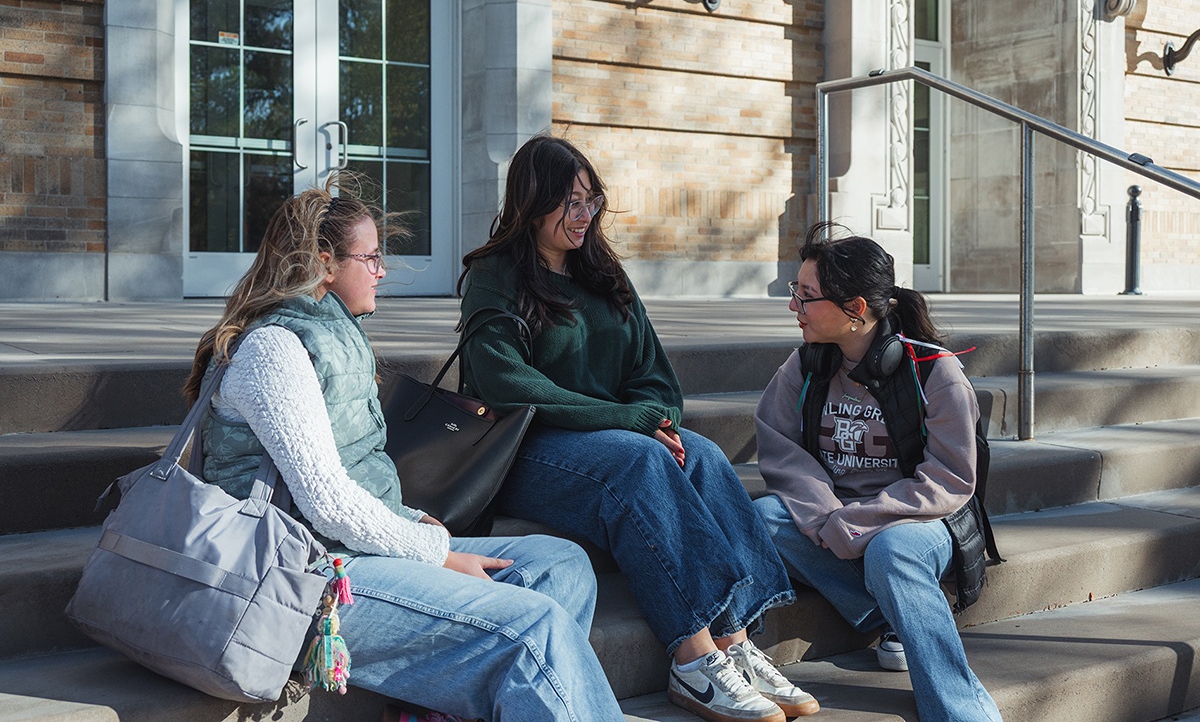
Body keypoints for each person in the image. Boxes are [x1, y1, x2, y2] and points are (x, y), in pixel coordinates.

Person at [183, 176, 624, 722]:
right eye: (369, 258)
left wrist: (412, 519)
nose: (382, 271)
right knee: (533, 625)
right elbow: (328, 504)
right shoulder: (274, 350)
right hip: (307, 577)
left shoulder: (333, 335)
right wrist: (433, 551)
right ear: (325, 264)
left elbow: (348, 475)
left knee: (562, 563)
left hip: (354, 548)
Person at [456, 134, 818, 722]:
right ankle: (694, 658)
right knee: (639, 459)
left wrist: (653, 419)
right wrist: (624, 420)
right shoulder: (494, 276)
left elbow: (654, 377)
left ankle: (735, 643)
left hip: (610, 441)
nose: (584, 216)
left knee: (698, 455)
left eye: (590, 201)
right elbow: (507, 384)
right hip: (525, 449)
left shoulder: (602, 274)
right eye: (570, 203)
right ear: (531, 201)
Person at [752, 222, 1003, 722]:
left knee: (892, 550)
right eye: (793, 293)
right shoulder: (804, 366)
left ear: (856, 310)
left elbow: (950, 480)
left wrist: (861, 519)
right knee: (761, 518)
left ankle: (962, 711)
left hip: (919, 523)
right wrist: (827, 515)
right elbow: (779, 449)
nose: (793, 307)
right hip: (835, 522)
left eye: (805, 297)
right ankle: (889, 614)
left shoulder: (934, 370)